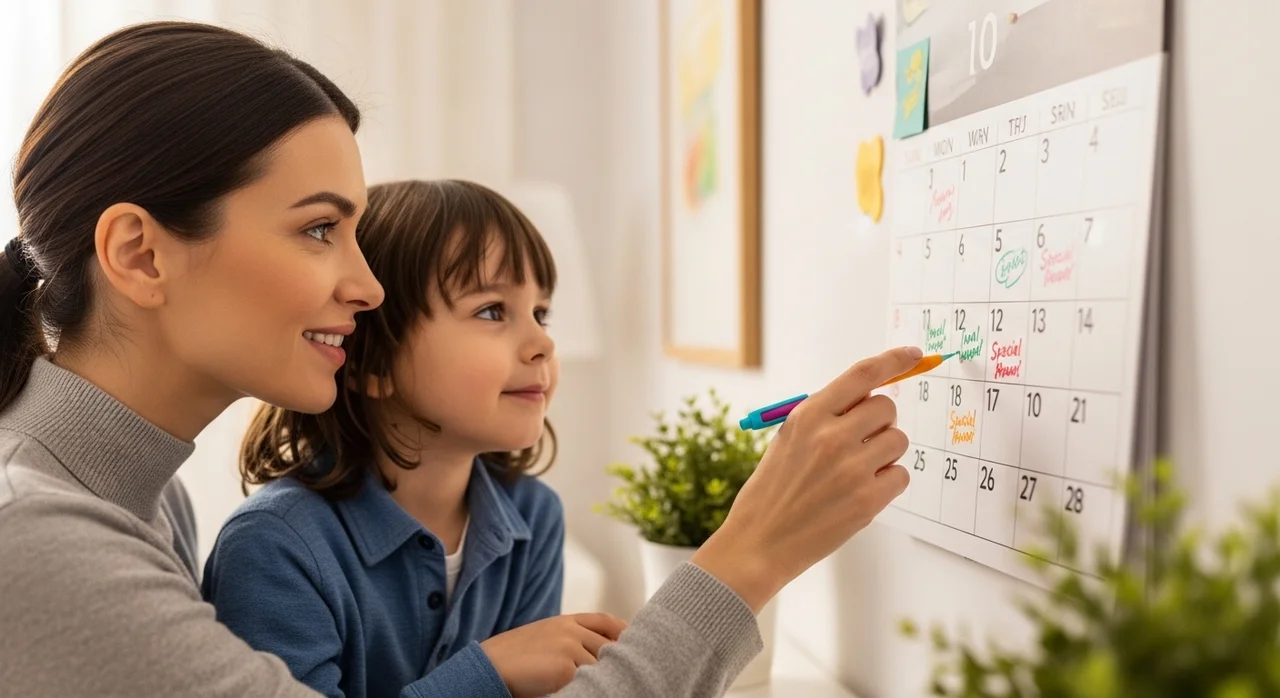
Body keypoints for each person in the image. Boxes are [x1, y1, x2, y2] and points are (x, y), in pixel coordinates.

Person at [0, 20, 913, 698]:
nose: (366, 288)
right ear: (139, 254)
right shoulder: (39, 537)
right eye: (319, 228)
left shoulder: (138, 497)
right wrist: (749, 555)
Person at [203, 178, 600, 698]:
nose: (543, 343)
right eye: (491, 311)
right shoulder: (272, 546)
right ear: (372, 362)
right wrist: (490, 672)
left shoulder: (535, 517)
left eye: (540, 314)